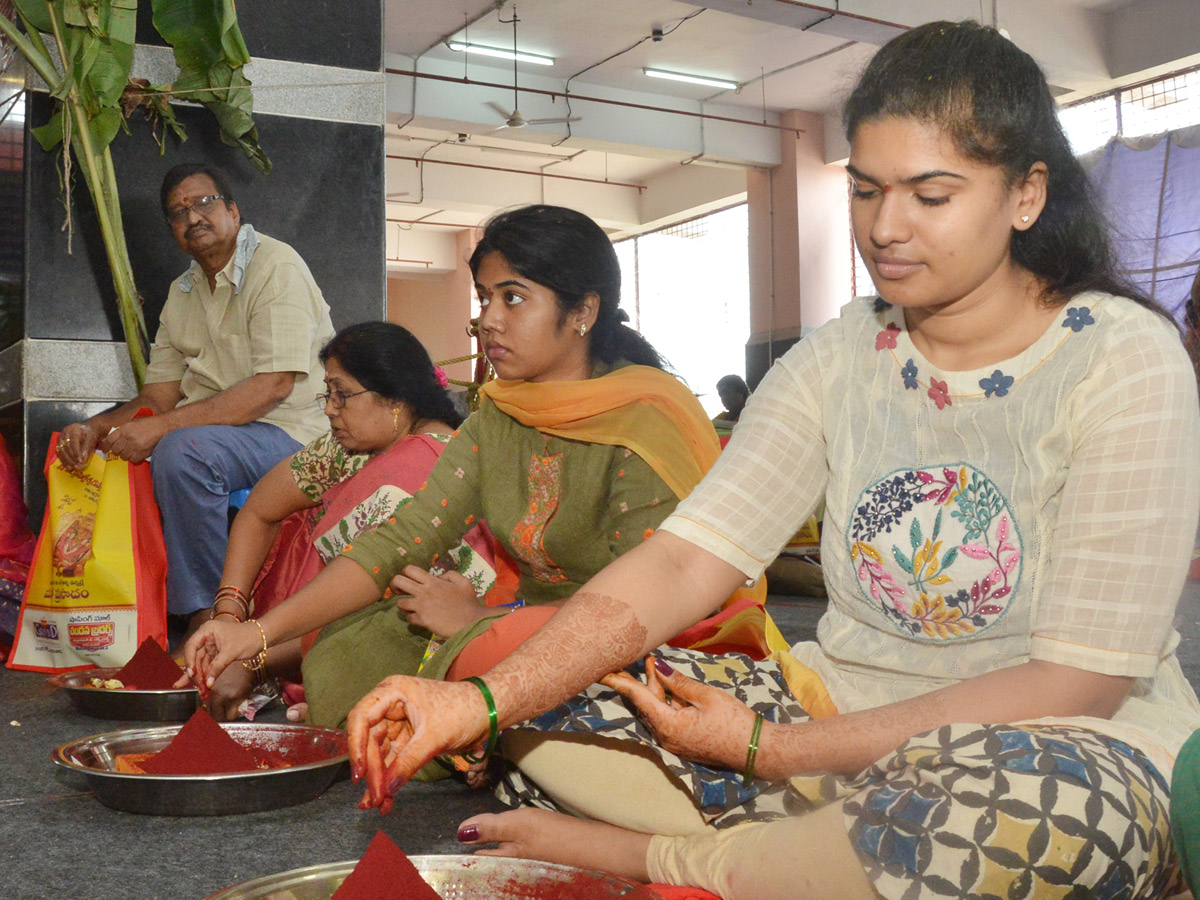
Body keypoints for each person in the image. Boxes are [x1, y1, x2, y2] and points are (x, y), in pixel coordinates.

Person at [346, 21, 1200, 900]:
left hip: (1052, 743)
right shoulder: (841, 356)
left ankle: (668, 857)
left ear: (1026, 195)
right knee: (536, 699)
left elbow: (1080, 682)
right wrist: (485, 703)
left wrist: (772, 752)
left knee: (1033, 816)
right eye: (867, 192)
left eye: (930, 196)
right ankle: (819, 860)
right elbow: (685, 559)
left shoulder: (1122, 359)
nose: (886, 229)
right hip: (836, 708)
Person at [181, 204, 759, 732]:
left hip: (641, 640)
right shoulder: (498, 417)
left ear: (582, 311)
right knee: (341, 650)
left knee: (470, 663)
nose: (489, 320)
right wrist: (251, 634)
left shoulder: (641, 420)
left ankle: (477, 733)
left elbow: (654, 597)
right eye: (485, 298)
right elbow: (400, 541)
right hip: (518, 626)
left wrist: (483, 618)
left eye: (513, 298)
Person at [56, 163, 334, 640]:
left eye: (203, 202)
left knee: (183, 453)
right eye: (179, 212)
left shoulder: (275, 265)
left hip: (296, 432)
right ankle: (128, 622)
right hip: (225, 433)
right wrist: (97, 429)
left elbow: (274, 386)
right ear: (173, 230)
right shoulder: (182, 292)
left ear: (232, 210)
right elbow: (158, 395)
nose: (193, 217)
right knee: (118, 454)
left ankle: (206, 619)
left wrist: (163, 429)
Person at [201, 322, 500, 722]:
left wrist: (254, 659)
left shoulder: (436, 465)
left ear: (395, 397)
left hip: (392, 659)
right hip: (296, 636)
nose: (329, 408)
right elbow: (258, 510)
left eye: (342, 395)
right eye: (329, 394)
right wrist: (229, 613)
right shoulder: (349, 448)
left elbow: (362, 613)